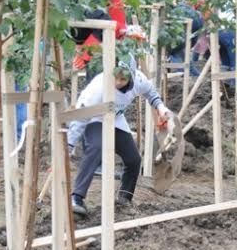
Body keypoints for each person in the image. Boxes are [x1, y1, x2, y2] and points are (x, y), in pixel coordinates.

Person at [67, 62, 171, 215]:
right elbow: (81, 118)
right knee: (96, 147)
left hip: (116, 119)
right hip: (94, 118)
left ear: (132, 77)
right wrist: (68, 146)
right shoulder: (98, 89)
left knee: (134, 159)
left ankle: (124, 199)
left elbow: (151, 93)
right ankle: (77, 197)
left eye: (123, 79)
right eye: (116, 78)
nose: (118, 82)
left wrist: (161, 109)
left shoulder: (139, 80)